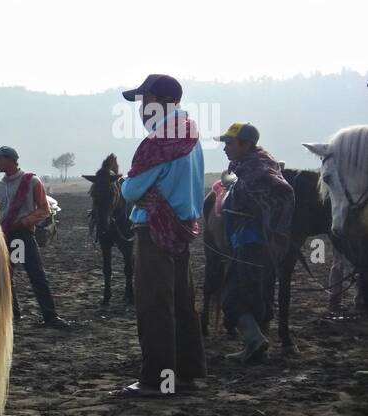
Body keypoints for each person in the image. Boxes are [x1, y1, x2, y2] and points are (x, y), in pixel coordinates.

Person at [115, 74, 206, 397]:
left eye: (143, 101)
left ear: (157, 100)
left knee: (155, 305)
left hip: (154, 230)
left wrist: (133, 186)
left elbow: (131, 189)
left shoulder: (159, 141)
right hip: (182, 229)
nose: (141, 109)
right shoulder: (191, 133)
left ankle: (157, 380)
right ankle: (186, 374)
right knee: (182, 303)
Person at [217, 123, 295, 362]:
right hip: (263, 243)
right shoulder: (256, 167)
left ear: (246, 144)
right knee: (257, 293)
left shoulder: (255, 172)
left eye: (230, 143)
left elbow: (257, 203)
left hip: (252, 242)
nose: (225, 148)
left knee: (231, 298)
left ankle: (254, 340)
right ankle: (255, 343)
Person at [0, 145, 69, 327]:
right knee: (5, 275)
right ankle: (13, 313)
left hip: (22, 235)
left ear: (10, 160)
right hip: (5, 234)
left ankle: (50, 316)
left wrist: (25, 222)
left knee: (35, 274)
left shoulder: (31, 181)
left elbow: (43, 209)